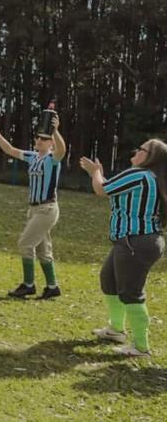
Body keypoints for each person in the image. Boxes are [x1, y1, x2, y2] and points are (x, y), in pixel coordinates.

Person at [80, 140, 167, 357]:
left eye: (141, 149)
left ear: (151, 157)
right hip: (134, 241)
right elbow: (115, 188)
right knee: (108, 280)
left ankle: (140, 346)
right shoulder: (150, 178)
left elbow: (102, 189)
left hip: (135, 242)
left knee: (131, 293)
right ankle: (116, 330)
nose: (136, 151)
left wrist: (96, 172)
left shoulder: (138, 174)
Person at [0, 117, 65, 299]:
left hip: (47, 209)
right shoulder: (33, 156)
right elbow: (10, 150)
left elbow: (62, 150)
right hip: (35, 210)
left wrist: (55, 131)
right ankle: (52, 287)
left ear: (51, 142)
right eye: (38, 137)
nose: (39, 140)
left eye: (44, 138)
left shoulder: (53, 159)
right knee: (42, 249)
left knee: (25, 243)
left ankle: (28, 285)